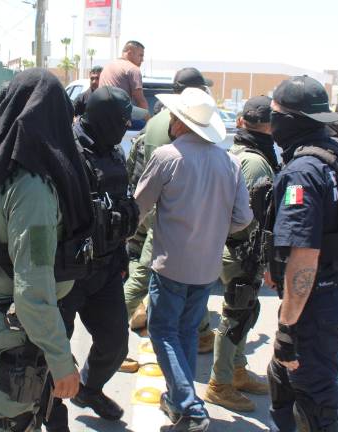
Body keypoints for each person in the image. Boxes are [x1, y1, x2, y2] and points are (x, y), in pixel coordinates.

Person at [0, 69, 93, 431]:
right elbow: (32, 287)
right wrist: (61, 360)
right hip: (20, 332)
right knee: (11, 423)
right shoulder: (32, 188)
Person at [135, 87, 253, 432]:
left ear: (180, 122)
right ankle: (178, 401)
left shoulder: (167, 156)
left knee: (162, 331)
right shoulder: (229, 162)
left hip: (171, 262)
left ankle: (190, 406)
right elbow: (243, 217)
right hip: (207, 266)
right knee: (186, 331)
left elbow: (139, 206)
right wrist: (214, 229)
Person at [265, 76, 338, 432]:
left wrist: (287, 326)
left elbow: (304, 254)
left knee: (314, 402)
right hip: (337, 292)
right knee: (282, 379)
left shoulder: (303, 172)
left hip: (315, 304)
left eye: (275, 113)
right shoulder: (337, 154)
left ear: (291, 120)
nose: (271, 120)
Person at [45, 86, 139, 430]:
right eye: (122, 121)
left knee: (115, 343)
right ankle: (53, 414)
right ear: (104, 119)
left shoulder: (113, 151)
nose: (126, 128)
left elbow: (121, 202)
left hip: (107, 265)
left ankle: (89, 388)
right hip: (69, 272)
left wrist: (122, 255)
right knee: (55, 354)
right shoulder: (65, 150)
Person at [123, 68, 216, 359]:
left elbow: (136, 163)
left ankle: (199, 331)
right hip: (175, 210)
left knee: (158, 271)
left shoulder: (155, 122)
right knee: (151, 274)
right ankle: (115, 325)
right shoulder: (191, 124)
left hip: (150, 203)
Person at [203, 96, 276, 413]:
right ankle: (220, 384)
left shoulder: (233, 153)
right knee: (236, 316)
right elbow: (251, 215)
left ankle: (237, 370)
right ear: (270, 127)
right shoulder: (256, 162)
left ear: (241, 122)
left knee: (245, 312)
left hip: (233, 247)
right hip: (242, 250)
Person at [98, 41, 148, 110]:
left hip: (100, 112)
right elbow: (141, 102)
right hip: (118, 113)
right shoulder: (133, 69)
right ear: (130, 53)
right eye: (140, 55)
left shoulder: (107, 66)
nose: (142, 60)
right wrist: (148, 117)